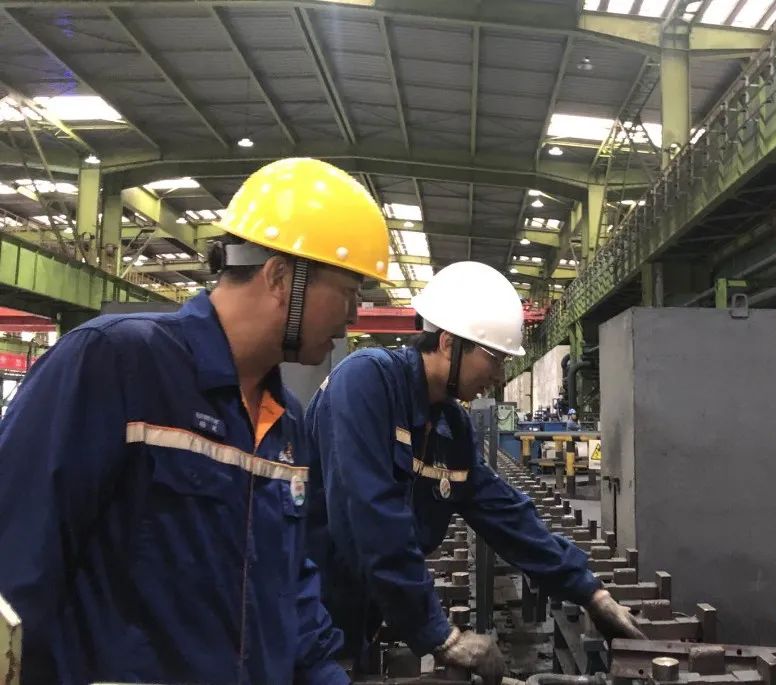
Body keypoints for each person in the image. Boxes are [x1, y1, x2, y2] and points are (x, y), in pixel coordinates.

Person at [0, 157, 392, 684]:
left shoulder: (285, 422)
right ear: (281, 278)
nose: (353, 317)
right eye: (348, 293)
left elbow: (289, 591)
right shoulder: (117, 365)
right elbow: (16, 565)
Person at [306, 260, 644, 684]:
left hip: (362, 615)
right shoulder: (366, 382)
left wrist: (590, 591)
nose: (499, 376)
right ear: (449, 343)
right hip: (309, 616)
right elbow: (371, 519)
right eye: (495, 359)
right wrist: (441, 636)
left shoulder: (450, 425)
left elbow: (504, 513)